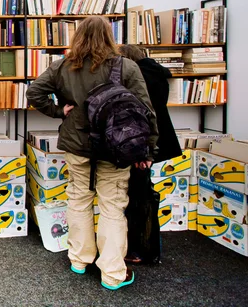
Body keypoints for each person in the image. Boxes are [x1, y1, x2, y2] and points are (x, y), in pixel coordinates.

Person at [26, 17, 158, 290]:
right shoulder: (126, 66)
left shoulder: (64, 65)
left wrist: (56, 111)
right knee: (112, 206)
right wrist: (148, 149)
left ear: (78, 37)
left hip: (77, 145)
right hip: (116, 148)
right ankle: (111, 273)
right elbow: (145, 112)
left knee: (78, 199)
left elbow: (34, 92)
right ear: (109, 36)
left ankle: (79, 258)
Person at [119, 44, 182, 264]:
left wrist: (141, 152)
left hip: (143, 144)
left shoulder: (138, 78)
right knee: (144, 193)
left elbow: (141, 116)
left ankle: (139, 249)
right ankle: (148, 247)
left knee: (137, 196)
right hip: (158, 139)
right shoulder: (158, 73)